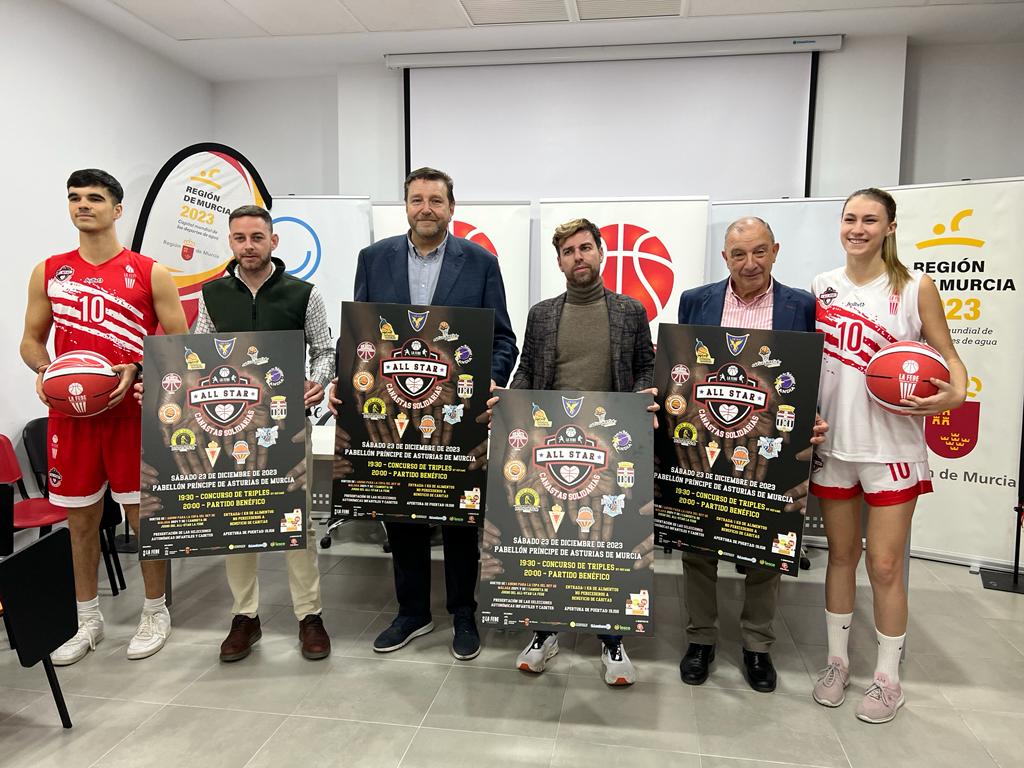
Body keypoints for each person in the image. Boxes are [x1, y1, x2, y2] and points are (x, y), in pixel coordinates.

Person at [20, 169, 188, 665]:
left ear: (117, 210)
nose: (82, 205)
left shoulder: (150, 271)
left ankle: (155, 610)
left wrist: (137, 366)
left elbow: (178, 345)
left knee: (143, 518)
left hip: (131, 413)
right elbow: (31, 339)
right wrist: (44, 368)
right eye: (74, 198)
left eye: (94, 198)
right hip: (70, 414)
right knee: (81, 521)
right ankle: (86, 618)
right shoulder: (49, 270)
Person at [810, 188, 966, 723]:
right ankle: (836, 664)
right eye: (850, 218)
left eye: (869, 219)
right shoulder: (821, 286)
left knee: (884, 563)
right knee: (841, 557)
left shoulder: (914, 286)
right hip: (833, 445)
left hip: (892, 447)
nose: (858, 228)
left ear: (890, 226)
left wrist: (955, 392)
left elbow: (950, 360)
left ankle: (887, 679)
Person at [353, 167, 517, 660]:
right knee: (402, 512)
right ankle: (412, 612)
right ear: (405, 205)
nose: (426, 208)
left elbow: (504, 339)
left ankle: (463, 613)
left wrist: (492, 378)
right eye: (417, 199)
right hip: (392, 410)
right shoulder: (373, 258)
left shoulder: (481, 262)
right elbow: (359, 335)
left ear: (451, 207)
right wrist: (347, 381)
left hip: (457, 413)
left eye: (436, 200)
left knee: (461, 516)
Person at [495, 217, 658, 685]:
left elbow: (645, 366)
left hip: (611, 447)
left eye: (585, 248)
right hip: (550, 445)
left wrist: (644, 400)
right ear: (560, 260)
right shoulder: (543, 314)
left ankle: (612, 640)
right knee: (549, 541)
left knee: (606, 539)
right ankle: (544, 634)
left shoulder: (630, 310)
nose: (578, 257)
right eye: (568, 252)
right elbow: (527, 369)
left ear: (601, 252)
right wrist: (507, 403)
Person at [676, 217, 821, 693]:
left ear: (775, 251)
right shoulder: (696, 301)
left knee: (766, 539)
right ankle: (701, 639)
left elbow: (809, 373)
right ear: (725, 258)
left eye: (759, 251)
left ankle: (757, 645)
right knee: (698, 542)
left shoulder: (801, 305)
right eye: (739, 254)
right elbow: (683, 369)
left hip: (770, 438)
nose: (750, 263)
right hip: (704, 434)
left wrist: (812, 418)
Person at [192, 204, 334, 662]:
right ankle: (245, 616)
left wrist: (319, 380)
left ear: (274, 240)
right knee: (239, 518)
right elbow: (198, 354)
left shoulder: (303, 293)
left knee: (297, 520)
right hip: (230, 425)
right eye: (240, 238)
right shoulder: (212, 295)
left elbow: (324, 349)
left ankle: (309, 615)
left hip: (289, 423)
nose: (248, 246)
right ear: (230, 242)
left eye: (257, 237)